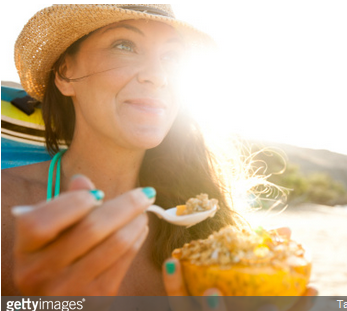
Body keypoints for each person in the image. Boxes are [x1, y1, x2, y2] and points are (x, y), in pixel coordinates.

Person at [2, 3, 316, 306]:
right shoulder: (7, 205)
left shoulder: (209, 227)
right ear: (66, 74)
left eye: (172, 57)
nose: (158, 75)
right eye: (124, 45)